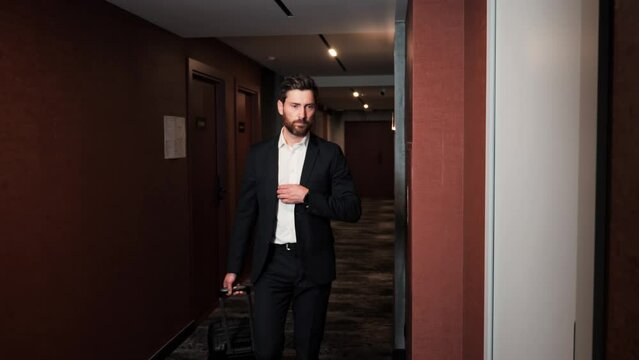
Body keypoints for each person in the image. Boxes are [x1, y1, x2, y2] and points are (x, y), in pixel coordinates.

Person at [222, 74, 361, 360]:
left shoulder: (330, 154)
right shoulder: (259, 155)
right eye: (295, 106)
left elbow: (351, 209)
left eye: (309, 107)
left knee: (307, 348)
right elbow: (246, 214)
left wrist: (308, 197)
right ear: (280, 106)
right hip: (270, 265)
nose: (302, 114)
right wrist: (234, 267)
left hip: (313, 265)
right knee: (266, 348)